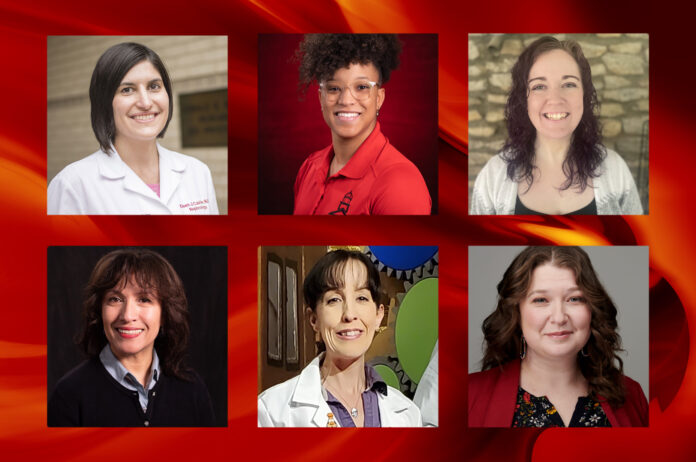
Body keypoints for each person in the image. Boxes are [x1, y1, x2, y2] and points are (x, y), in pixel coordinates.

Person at [468, 246, 648, 427]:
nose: (559, 317)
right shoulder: (469, 395)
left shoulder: (632, 395)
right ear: (516, 312)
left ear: (592, 309)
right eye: (541, 300)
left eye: (574, 299)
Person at [470, 36, 642, 215]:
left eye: (569, 84)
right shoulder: (492, 176)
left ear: (584, 95)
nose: (555, 99)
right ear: (524, 99)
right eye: (539, 86)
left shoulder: (616, 170)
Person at [48, 249, 215, 426]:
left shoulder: (192, 389)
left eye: (144, 299)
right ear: (99, 310)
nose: (127, 315)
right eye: (115, 299)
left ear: (165, 314)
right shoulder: (69, 395)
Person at [47, 42, 219, 214]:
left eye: (154, 86)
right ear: (105, 103)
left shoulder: (198, 172)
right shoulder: (72, 185)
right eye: (127, 90)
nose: (145, 103)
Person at [258, 250, 422, 427]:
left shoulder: (408, 414)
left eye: (361, 298)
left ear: (378, 315)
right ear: (314, 319)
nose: (349, 314)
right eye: (334, 300)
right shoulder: (272, 412)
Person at [293, 34, 431, 215]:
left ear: (379, 98)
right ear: (321, 98)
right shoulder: (309, 167)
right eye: (334, 88)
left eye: (362, 87)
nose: (346, 100)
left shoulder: (400, 184)